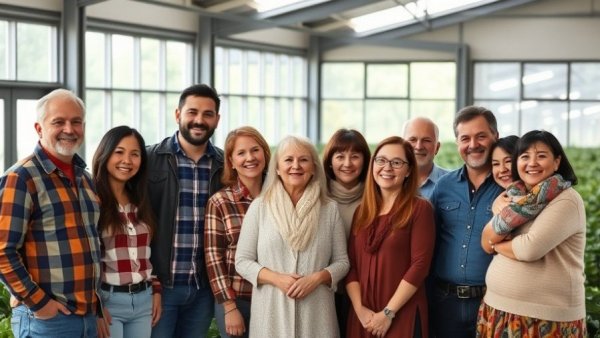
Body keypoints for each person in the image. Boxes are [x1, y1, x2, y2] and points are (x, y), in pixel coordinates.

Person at [0, 89, 101, 337]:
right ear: (39, 128)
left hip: (88, 318)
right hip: (48, 322)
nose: (69, 128)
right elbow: (2, 250)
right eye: (58, 121)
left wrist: (97, 309)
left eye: (76, 121)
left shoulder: (86, 180)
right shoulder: (21, 178)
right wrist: (39, 303)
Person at [235, 135, 350, 338]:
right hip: (270, 315)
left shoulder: (329, 209)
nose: (296, 166)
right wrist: (277, 279)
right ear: (277, 168)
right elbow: (242, 261)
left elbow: (342, 262)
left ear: (313, 168)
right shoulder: (260, 207)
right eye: (288, 160)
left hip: (317, 316)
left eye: (303, 160)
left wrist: (316, 278)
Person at [477, 130, 587, 337]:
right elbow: (484, 239)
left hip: (545, 318)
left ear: (557, 162)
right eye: (525, 156)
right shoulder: (514, 197)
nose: (532, 163)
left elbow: (529, 249)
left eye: (541, 156)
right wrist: (494, 235)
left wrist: (496, 245)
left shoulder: (567, 200)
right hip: (498, 309)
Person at [146, 84, 224, 338]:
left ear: (217, 120)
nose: (199, 120)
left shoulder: (226, 165)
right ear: (177, 114)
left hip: (203, 289)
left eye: (207, 114)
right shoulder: (149, 160)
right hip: (161, 287)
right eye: (192, 112)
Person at [346, 136, 435, 338]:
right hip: (364, 316)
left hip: (401, 313)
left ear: (408, 170)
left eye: (396, 163)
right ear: (373, 165)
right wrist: (360, 311)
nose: (387, 168)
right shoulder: (361, 212)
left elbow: (420, 266)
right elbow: (350, 265)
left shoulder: (420, 209)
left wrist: (388, 313)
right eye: (381, 160)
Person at [429, 106, 503, 338]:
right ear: (457, 143)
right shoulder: (444, 186)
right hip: (445, 304)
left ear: (495, 137)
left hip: (495, 303)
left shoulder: (510, 188)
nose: (473, 144)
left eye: (481, 136)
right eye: (465, 138)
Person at [92, 126, 162, 338]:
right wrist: (95, 307)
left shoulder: (140, 200)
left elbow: (149, 253)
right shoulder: (92, 199)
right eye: (119, 152)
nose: (127, 160)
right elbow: (87, 259)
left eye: (135, 154)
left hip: (143, 301)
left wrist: (156, 290)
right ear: (105, 154)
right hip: (108, 301)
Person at [204, 126, 271, 338]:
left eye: (255, 150)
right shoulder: (220, 201)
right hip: (238, 300)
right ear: (231, 162)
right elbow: (214, 258)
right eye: (241, 153)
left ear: (265, 153)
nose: (249, 158)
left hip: (274, 298)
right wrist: (229, 307)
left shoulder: (280, 197)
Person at [321, 128, 371, 337]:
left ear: (366, 161)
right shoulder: (317, 196)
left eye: (355, 156)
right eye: (340, 156)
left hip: (364, 293)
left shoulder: (376, 198)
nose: (347, 163)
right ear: (330, 162)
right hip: (324, 291)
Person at [402, 117, 449, 199]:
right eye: (412, 140)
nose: (419, 147)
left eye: (426, 140)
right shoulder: (389, 179)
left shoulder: (453, 183)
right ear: (401, 146)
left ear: (437, 148)